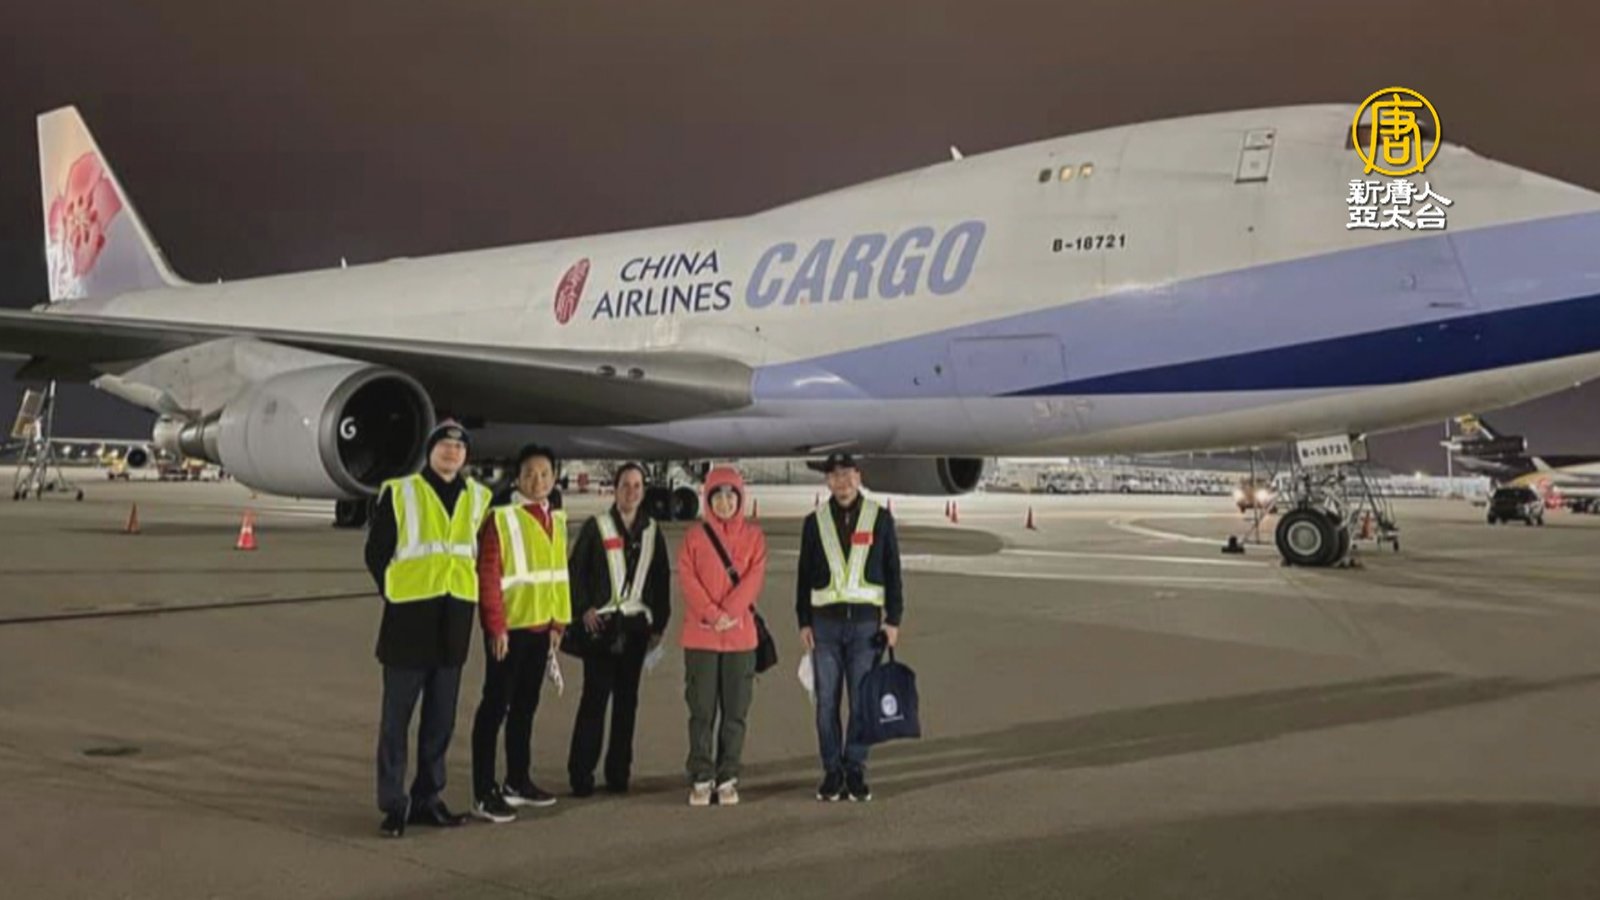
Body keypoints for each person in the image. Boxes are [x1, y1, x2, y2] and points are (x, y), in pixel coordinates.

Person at [364, 420, 495, 838]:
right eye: (445, 445)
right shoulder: (401, 492)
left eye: (460, 447)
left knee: (440, 721)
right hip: (408, 621)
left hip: (453, 621)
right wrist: (395, 590)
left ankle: (428, 798)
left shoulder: (478, 498)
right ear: (430, 450)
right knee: (396, 722)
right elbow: (376, 552)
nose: (452, 452)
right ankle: (393, 804)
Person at [469, 444, 571, 823]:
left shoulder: (556, 518)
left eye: (545, 474)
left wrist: (559, 623)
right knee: (495, 707)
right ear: (517, 478)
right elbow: (488, 575)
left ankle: (517, 780)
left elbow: (558, 575)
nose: (538, 480)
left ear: (554, 478)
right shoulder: (502, 518)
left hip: (541, 628)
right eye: (530, 474)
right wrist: (495, 626)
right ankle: (483, 791)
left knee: (525, 708)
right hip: (509, 631)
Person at [795, 452, 903, 803]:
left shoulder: (880, 519)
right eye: (835, 475)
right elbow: (803, 575)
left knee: (861, 702)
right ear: (827, 481)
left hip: (865, 628)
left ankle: (855, 768)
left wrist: (894, 619)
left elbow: (893, 571)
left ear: (858, 476)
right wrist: (803, 621)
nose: (842, 482)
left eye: (847, 474)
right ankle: (832, 771)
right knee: (826, 703)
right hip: (824, 627)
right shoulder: (814, 523)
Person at [564, 462, 671, 796]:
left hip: (636, 629)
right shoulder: (597, 527)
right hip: (602, 627)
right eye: (626, 485)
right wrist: (582, 609)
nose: (631, 492)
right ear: (615, 489)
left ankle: (618, 772)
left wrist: (659, 624)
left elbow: (661, 580)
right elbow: (575, 572)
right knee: (594, 702)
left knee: (627, 704)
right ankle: (581, 774)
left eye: (637, 486)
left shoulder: (652, 530)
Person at [677, 466, 767, 807]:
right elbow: (687, 579)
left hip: (740, 639)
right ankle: (702, 775)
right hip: (701, 637)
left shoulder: (754, 537)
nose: (725, 503)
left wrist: (729, 612)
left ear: (741, 499)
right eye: (718, 496)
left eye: (732, 496)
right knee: (701, 711)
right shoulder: (694, 537)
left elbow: (754, 578)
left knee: (735, 713)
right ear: (708, 499)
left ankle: (727, 775)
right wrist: (714, 615)